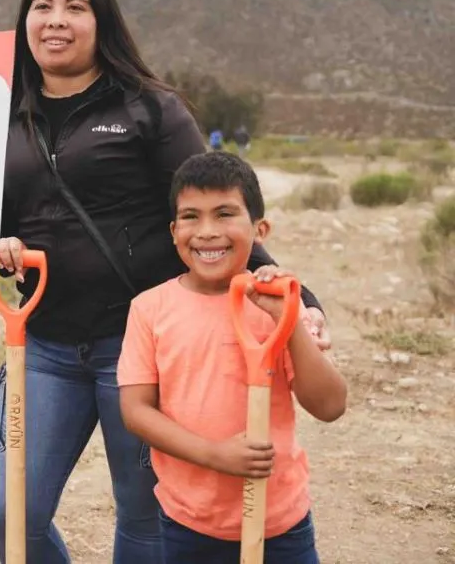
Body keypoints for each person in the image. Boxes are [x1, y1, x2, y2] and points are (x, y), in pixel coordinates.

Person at [0, 0, 330, 564]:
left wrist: (304, 302)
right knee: (10, 511)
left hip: (138, 344)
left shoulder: (149, 108)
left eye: (75, 7)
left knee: (143, 517)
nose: (56, 21)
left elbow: (214, 213)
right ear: (24, 21)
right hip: (44, 344)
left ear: (101, 22)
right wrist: (0, 250)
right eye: (43, 7)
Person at [118, 152, 347, 562]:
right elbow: (136, 411)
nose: (207, 232)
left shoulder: (275, 306)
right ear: (173, 231)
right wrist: (214, 454)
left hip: (279, 522)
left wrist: (288, 320)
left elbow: (330, 405)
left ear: (260, 230)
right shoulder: (149, 309)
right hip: (188, 521)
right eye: (191, 216)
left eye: (225, 214)